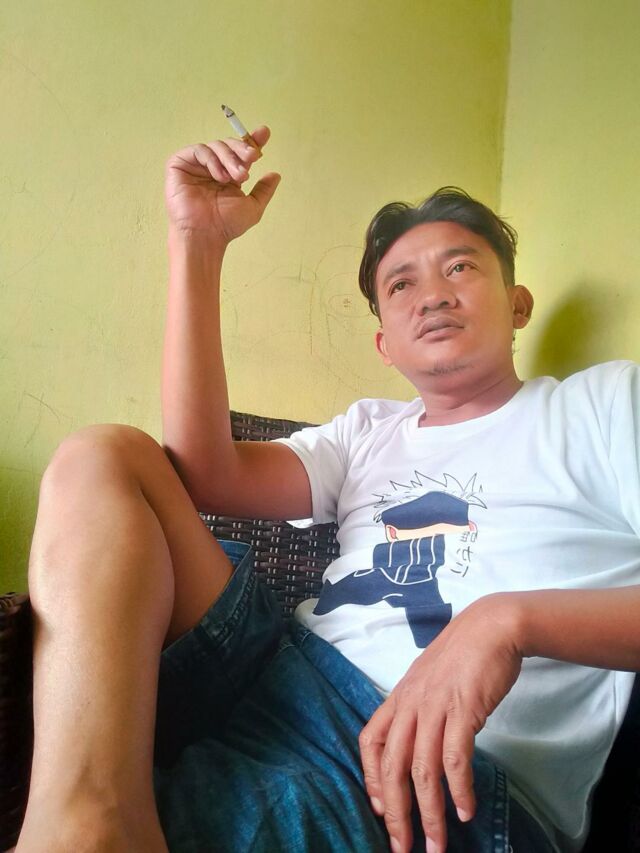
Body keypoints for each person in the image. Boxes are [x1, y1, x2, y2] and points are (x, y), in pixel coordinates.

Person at [15, 124, 640, 853]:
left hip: (417, 768)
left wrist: (506, 621)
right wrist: (197, 243)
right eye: (401, 285)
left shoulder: (604, 405)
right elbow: (203, 473)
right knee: (103, 457)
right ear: (385, 344)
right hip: (277, 673)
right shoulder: (367, 430)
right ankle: (83, 815)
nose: (432, 296)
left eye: (460, 267)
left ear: (518, 302)